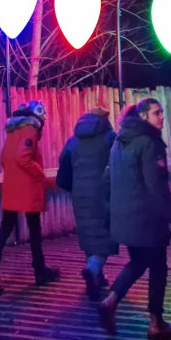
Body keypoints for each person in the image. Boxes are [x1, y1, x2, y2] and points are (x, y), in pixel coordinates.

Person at [98, 97, 171, 340]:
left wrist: (110, 212)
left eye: (162, 112)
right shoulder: (149, 143)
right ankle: (156, 324)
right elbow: (156, 186)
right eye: (157, 113)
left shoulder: (119, 142)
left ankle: (111, 301)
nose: (162, 117)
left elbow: (107, 181)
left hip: (125, 219)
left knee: (138, 262)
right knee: (158, 267)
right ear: (144, 116)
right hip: (148, 219)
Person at [0, 100, 61, 297]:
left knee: (5, 229)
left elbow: (4, 159)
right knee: (34, 230)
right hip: (28, 187)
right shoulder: (30, 130)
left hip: (13, 187)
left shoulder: (13, 132)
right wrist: (39, 174)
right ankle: (39, 271)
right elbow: (22, 157)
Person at [56, 106, 117, 300]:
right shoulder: (109, 137)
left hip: (79, 193)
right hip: (103, 192)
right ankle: (93, 269)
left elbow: (63, 160)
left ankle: (97, 278)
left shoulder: (73, 140)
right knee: (106, 233)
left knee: (88, 232)